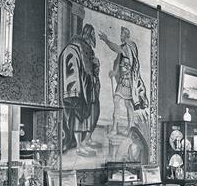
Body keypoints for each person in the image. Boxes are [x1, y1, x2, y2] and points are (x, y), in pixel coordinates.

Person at [60, 23, 101, 156]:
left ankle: (86, 140)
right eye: (92, 34)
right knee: (79, 115)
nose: (94, 37)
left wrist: (96, 65)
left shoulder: (89, 49)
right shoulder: (76, 47)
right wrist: (76, 87)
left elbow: (92, 70)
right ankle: (79, 145)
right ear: (87, 34)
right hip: (81, 87)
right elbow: (75, 66)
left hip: (90, 87)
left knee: (92, 112)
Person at [99, 26, 148, 135]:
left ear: (126, 36)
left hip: (128, 80)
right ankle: (116, 128)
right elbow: (119, 62)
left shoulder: (128, 47)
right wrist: (114, 72)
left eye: (122, 34)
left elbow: (117, 49)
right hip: (122, 80)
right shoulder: (123, 48)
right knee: (119, 100)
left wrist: (106, 40)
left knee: (127, 103)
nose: (120, 36)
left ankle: (128, 127)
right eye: (120, 34)